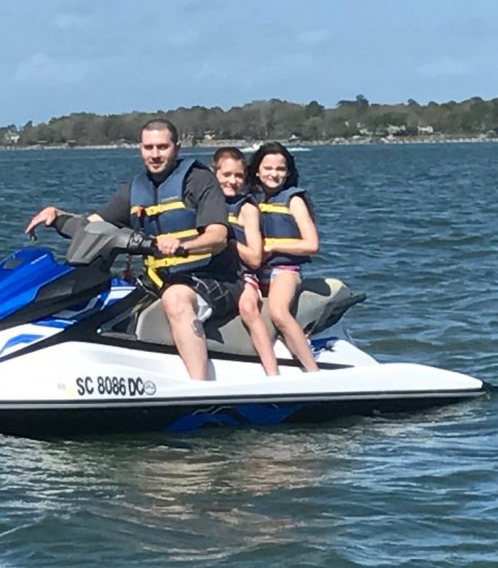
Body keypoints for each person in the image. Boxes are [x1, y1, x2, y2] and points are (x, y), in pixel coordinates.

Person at [25, 119, 242, 380]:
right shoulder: (136, 189)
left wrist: (182, 245)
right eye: (148, 147)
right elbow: (93, 225)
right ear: (140, 149)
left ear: (177, 147)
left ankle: (200, 386)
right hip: (159, 279)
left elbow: (218, 237)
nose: (155, 154)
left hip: (214, 279)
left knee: (176, 298)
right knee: (108, 298)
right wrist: (58, 216)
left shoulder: (199, 180)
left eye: (162, 147)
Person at [247, 142, 320, 372]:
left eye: (280, 169)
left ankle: (313, 370)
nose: (274, 174)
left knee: (278, 312)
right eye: (268, 168)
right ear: (257, 171)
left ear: (288, 172)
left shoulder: (294, 200)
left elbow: (311, 244)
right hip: (255, 272)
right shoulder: (249, 201)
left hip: (284, 271)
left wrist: (273, 246)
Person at [211, 147, 279, 376]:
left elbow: (255, 257)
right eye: (226, 174)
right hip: (210, 273)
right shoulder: (204, 203)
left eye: (239, 176)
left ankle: (272, 370)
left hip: (241, 275)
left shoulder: (247, 209)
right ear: (214, 173)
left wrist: (228, 242)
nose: (233, 181)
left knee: (248, 309)